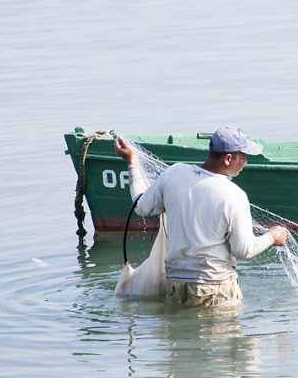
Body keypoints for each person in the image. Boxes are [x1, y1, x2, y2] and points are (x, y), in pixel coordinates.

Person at [114, 126, 288, 307]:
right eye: (243, 158)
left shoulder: (174, 173)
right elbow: (244, 250)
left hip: (176, 287)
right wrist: (272, 236)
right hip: (217, 291)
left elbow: (141, 207)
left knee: (181, 334)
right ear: (228, 158)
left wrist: (132, 162)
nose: (245, 163)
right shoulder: (235, 195)